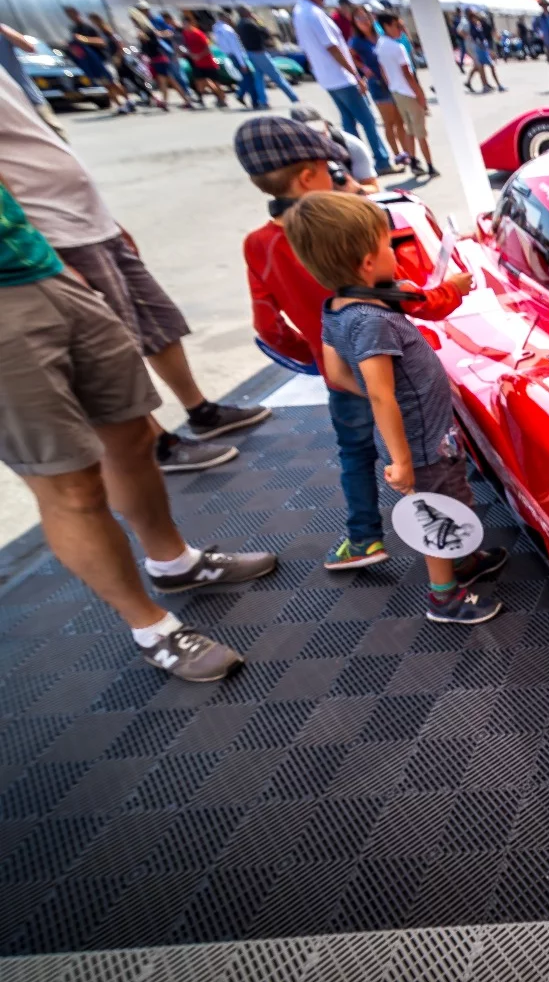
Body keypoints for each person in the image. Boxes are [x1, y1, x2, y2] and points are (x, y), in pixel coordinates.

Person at [0, 184, 276, 679]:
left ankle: (175, 563)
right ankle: (151, 628)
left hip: (40, 268)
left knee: (132, 440)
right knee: (70, 483)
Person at [0, 72, 271, 473]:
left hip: (88, 221)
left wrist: (102, 215)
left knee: (158, 321)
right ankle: (156, 442)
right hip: (50, 235)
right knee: (114, 348)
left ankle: (201, 411)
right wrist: (38, 246)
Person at [236, 114, 470, 570]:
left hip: (341, 377)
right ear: (309, 176)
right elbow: (413, 299)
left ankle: (364, 538)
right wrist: (454, 290)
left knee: (356, 453)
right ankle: (449, 570)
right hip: (395, 381)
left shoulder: (259, 243)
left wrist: (316, 358)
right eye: (329, 169)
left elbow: (268, 327)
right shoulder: (351, 236)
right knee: (422, 467)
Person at [282, 191, 506, 623]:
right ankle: (445, 596)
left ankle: (462, 560)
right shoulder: (371, 321)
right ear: (368, 262)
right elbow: (381, 391)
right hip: (418, 444)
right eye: (388, 245)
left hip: (426, 434)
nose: (393, 251)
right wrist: (402, 458)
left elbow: (337, 373)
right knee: (436, 511)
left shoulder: (339, 305)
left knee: (452, 495)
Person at [293, 0, 392, 173]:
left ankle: (355, 163)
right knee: (368, 120)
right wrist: (355, 75)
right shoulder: (313, 13)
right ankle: (382, 161)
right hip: (341, 78)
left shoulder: (299, 12)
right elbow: (332, 47)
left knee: (348, 123)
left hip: (328, 78)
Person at [376, 13, 435, 177]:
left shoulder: (381, 44)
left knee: (409, 130)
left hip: (396, 92)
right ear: (387, 26)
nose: (400, 30)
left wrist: (392, 86)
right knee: (421, 132)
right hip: (408, 93)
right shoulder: (397, 47)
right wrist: (420, 95)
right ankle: (430, 166)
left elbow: (383, 71)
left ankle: (414, 162)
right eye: (397, 26)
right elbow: (408, 74)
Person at [348, 12, 404, 168]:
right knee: (389, 122)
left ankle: (407, 153)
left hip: (393, 81)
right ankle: (397, 155)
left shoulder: (380, 35)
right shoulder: (357, 41)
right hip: (377, 83)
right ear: (355, 22)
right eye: (359, 18)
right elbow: (349, 56)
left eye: (365, 17)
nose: (363, 21)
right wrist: (363, 68)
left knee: (400, 120)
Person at [290, 104, 379, 191]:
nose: (317, 139)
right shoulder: (292, 153)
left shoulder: (351, 145)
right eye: (309, 136)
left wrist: (358, 189)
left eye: (320, 132)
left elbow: (373, 188)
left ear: (326, 125)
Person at [63, 7, 133, 115]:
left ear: (77, 13)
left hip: (103, 59)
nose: (71, 17)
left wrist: (85, 39)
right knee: (106, 85)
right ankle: (120, 106)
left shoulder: (89, 27)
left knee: (113, 82)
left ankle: (128, 101)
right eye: (69, 15)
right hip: (90, 63)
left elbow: (102, 42)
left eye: (72, 14)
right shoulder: (74, 29)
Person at [239, 7, 300, 107]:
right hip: (259, 53)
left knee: (259, 78)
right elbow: (265, 33)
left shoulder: (240, 24)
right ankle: (294, 98)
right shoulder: (251, 24)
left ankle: (263, 101)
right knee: (277, 76)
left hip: (250, 53)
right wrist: (258, 21)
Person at [180, 13, 230, 109]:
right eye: (183, 24)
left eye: (186, 24)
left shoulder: (198, 34)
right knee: (199, 82)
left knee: (216, 82)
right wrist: (191, 55)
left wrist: (199, 55)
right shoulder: (185, 34)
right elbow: (187, 47)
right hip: (197, 63)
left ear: (190, 24)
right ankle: (202, 98)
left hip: (208, 62)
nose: (184, 26)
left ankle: (222, 99)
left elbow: (208, 47)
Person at [208, 12, 254, 108]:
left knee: (243, 76)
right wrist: (242, 63)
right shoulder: (227, 30)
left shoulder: (216, 29)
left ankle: (245, 95)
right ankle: (241, 94)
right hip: (235, 56)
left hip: (227, 55)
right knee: (247, 76)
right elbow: (235, 47)